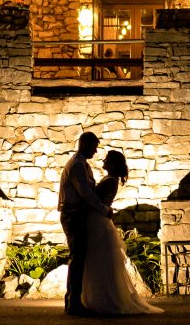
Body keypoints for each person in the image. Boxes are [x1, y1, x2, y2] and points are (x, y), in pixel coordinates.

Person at [81, 150, 163, 315]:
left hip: (98, 220)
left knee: (100, 260)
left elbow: (95, 199)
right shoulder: (110, 180)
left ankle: (105, 299)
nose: (103, 161)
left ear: (111, 163)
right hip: (97, 219)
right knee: (98, 260)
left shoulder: (111, 181)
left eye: (106, 159)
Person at [58, 132, 112, 316]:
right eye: (94, 146)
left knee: (78, 258)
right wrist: (104, 209)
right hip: (72, 215)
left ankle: (73, 300)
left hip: (76, 215)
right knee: (77, 258)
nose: (96, 151)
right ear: (85, 144)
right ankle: (73, 302)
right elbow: (86, 194)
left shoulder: (82, 164)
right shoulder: (77, 166)